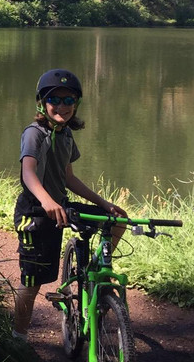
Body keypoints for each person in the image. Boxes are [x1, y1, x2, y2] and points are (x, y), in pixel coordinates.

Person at [12, 68, 127, 340]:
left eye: (69, 101)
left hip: (60, 207)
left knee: (118, 221)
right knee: (32, 281)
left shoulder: (65, 134)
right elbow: (28, 172)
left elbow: (68, 177)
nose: (62, 106)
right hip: (35, 212)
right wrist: (47, 201)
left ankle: (98, 273)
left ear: (76, 104)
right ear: (42, 103)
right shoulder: (34, 133)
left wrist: (103, 202)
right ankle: (17, 337)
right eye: (55, 100)